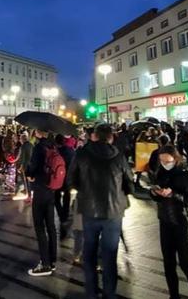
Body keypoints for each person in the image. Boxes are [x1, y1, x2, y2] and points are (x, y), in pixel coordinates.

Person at [67, 124, 135, 299]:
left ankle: (91, 292)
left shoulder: (82, 154)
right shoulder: (119, 156)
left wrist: (84, 190)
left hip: (89, 210)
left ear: (94, 136)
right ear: (111, 137)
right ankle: (109, 293)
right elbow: (130, 184)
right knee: (110, 254)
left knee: (89, 252)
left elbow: (71, 180)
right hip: (113, 212)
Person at [151, 145, 188, 299]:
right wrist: (155, 193)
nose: (164, 164)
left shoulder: (185, 174)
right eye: (161, 161)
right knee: (168, 265)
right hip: (165, 222)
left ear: (175, 159)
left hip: (183, 223)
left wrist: (173, 194)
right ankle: (174, 296)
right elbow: (158, 198)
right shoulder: (160, 172)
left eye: (167, 161)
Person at [26, 130, 58, 276]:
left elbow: (32, 168)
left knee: (40, 226)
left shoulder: (38, 148)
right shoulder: (52, 147)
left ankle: (44, 263)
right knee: (51, 226)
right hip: (51, 190)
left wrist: (29, 174)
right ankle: (52, 260)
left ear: (39, 132)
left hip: (40, 190)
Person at [54, 134, 74, 238]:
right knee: (67, 196)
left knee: (56, 198)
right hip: (68, 179)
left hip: (58, 179)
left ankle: (61, 214)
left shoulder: (55, 153)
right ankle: (65, 215)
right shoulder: (71, 151)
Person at [14, 132, 33, 201]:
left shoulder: (23, 146)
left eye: (20, 139)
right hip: (31, 165)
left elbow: (22, 158)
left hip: (26, 166)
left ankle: (29, 196)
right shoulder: (31, 144)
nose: (20, 140)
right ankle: (28, 193)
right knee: (29, 181)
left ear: (22, 140)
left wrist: (20, 167)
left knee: (26, 181)